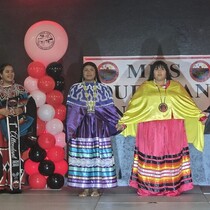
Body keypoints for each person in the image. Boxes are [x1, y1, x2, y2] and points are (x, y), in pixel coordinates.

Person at [117, 60, 206, 196]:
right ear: (152, 72)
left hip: (172, 127)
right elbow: (135, 107)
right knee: (150, 155)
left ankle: (172, 187)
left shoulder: (176, 87)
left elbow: (188, 105)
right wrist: (125, 121)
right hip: (149, 128)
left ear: (167, 72)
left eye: (162, 69)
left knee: (171, 155)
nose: (159, 72)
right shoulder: (145, 87)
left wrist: (199, 115)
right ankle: (147, 188)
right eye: (156, 69)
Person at [66, 62, 121, 197]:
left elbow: (110, 110)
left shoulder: (103, 88)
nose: (89, 72)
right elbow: (72, 111)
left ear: (96, 72)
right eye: (86, 70)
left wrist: (118, 122)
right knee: (83, 155)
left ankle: (96, 187)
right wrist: (71, 128)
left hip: (99, 126)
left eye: (91, 70)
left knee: (98, 156)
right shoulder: (75, 88)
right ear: (82, 73)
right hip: (81, 126)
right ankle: (84, 187)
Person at [0, 63, 35, 193]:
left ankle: (14, 183)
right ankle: (1, 183)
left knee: (14, 153)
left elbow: (29, 106)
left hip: (16, 127)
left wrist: (21, 109)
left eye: (12, 71)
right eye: (7, 72)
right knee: (2, 154)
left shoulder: (20, 89)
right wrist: (2, 112)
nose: (10, 74)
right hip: (1, 128)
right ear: (1, 75)